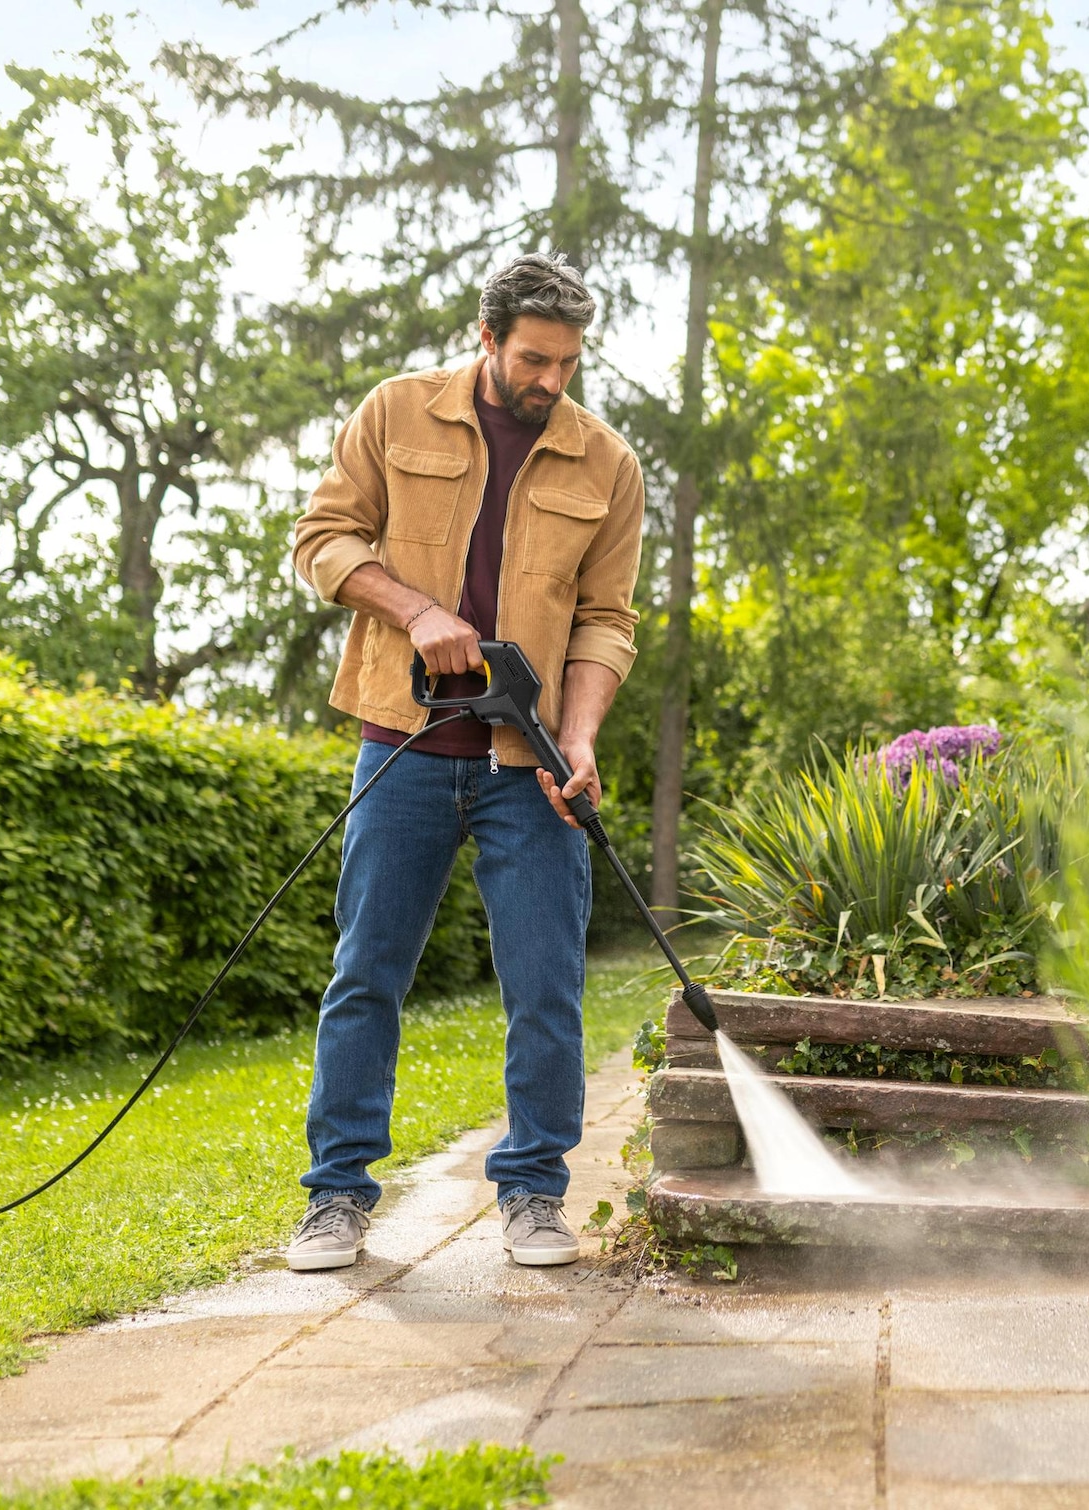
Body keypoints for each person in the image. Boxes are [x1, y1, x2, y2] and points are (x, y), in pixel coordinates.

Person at [280, 253, 644, 1271]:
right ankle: (337, 1196)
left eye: (569, 363)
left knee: (546, 985)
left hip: (527, 767)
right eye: (534, 358)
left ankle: (534, 1192)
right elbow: (321, 538)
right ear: (486, 340)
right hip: (400, 750)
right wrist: (418, 609)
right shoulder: (397, 414)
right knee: (367, 974)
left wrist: (576, 736)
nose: (551, 382)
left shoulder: (607, 464)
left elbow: (607, 620)